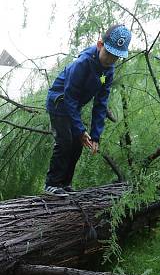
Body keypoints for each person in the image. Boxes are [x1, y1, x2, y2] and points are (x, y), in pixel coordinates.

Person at [44, 24, 132, 196]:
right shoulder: (82, 63)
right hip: (59, 102)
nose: (110, 60)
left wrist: (95, 135)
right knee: (65, 142)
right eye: (108, 54)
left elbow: (100, 103)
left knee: (78, 143)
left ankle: (65, 183)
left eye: (115, 57)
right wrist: (80, 129)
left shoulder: (108, 71)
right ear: (100, 45)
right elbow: (69, 97)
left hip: (73, 105)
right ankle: (51, 184)